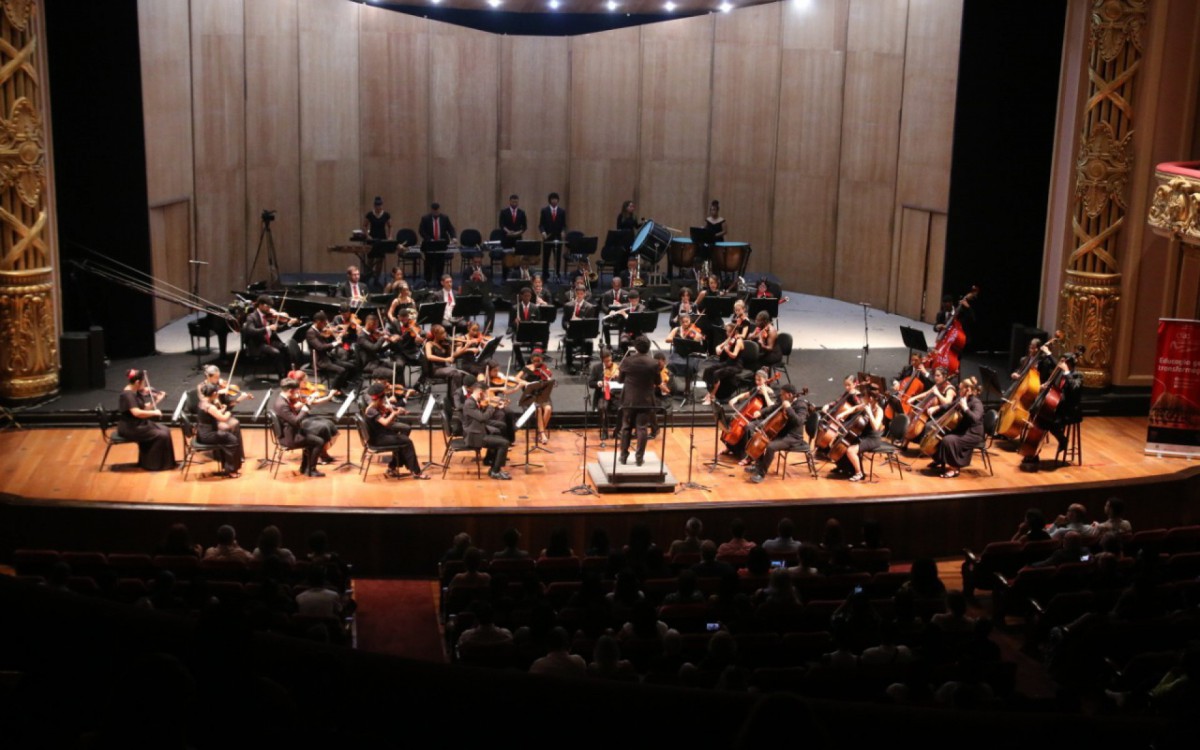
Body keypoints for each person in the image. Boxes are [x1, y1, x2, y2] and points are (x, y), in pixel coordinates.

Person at [364, 383, 430, 479]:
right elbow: (385, 422)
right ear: (380, 398)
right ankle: (416, 472)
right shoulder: (371, 410)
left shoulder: (376, 406)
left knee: (402, 440)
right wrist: (394, 413)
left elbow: (385, 412)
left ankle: (392, 467)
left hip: (381, 434)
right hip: (378, 439)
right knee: (407, 442)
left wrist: (396, 409)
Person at [748, 383, 810, 484]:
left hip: (793, 437)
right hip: (782, 433)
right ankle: (758, 466)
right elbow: (773, 407)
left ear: (789, 395)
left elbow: (799, 421)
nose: (780, 396)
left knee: (770, 446)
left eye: (782, 394)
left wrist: (789, 408)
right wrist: (761, 412)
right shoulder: (784, 401)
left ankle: (761, 474)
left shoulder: (801, 405)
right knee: (760, 439)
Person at [273, 378, 334, 477]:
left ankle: (305, 468)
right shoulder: (282, 405)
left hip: (292, 432)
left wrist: (302, 406)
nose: (298, 392)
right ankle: (311, 470)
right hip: (290, 438)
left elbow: (291, 415)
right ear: (290, 390)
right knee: (319, 442)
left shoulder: (281, 399)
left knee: (316, 436)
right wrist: (305, 408)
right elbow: (296, 421)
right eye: (296, 390)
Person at [117, 369, 176, 471]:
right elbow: (137, 413)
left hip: (138, 424)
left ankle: (160, 463)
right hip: (131, 427)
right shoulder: (128, 395)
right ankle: (154, 465)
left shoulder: (134, 391)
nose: (144, 384)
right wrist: (154, 413)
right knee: (162, 435)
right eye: (143, 382)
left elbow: (143, 408)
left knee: (165, 430)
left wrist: (157, 400)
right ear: (137, 382)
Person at [932, 376, 986, 479]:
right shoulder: (962, 399)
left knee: (948, 440)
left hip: (973, 433)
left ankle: (954, 468)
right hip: (962, 430)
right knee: (940, 434)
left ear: (968, 390)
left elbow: (975, 419)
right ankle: (940, 459)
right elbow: (949, 405)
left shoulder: (976, 403)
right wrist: (937, 407)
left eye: (961, 389)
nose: (958, 391)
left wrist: (965, 408)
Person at [617, 336, 658, 466]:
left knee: (626, 427)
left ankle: (623, 457)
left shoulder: (627, 361)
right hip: (645, 400)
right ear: (648, 348)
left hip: (629, 399)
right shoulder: (653, 363)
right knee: (642, 428)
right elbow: (658, 382)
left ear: (635, 347)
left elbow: (620, 380)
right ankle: (639, 459)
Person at [463, 383, 512, 480]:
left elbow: (482, 416)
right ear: (480, 392)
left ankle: (494, 467)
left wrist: (497, 405)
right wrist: (492, 406)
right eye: (486, 394)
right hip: (474, 436)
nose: (487, 396)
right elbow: (482, 418)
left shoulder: (474, 401)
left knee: (499, 436)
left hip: (478, 431)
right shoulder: (469, 403)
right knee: (504, 443)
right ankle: (495, 471)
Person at [196, 383, 243, 477]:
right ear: (213, 394)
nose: (218, 394)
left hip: (202, 432)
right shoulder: (210, 406)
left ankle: (227, 466)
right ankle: (231, 471)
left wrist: (222, 410)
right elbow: (223, 419)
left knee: (228, 437)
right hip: (208, 435)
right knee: (233, 440)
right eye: (217, 393)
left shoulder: (202, 402)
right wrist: (228, 412)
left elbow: (213, 414)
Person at [241, 295, 292, 379]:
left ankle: (289, 373)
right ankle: (282, 376)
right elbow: (251, 331)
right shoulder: (251, 317)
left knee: (285, 347)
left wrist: (288, 324)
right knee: (276, 352)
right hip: (257, 344)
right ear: (260, 305)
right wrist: (267, 328)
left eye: (270, 307)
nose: (269, 309)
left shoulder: (269, 316)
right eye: (267, 306)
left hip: (269, 341)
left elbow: (277, 329)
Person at [306, 311, 356, 394]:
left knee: (350, 366)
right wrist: (335, 343)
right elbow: (320, 347)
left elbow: (326, 345)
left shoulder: (319, 331)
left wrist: (336, 337)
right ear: (318, 322)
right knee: (341, 370)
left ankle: (340, 387)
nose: (325, 325)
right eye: (324, 323)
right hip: (319, 361)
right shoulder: (310, 333)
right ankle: (333, 392)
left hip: (327, 357)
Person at [702, 322, 745, 405]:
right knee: (708, 370)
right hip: (728, 362)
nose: (727, 333)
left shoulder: (739, 341)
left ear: (734, 331)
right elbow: (719, 346)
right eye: (727, 331)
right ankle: (709, 392)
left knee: (717, 374)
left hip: (736, 365)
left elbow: (734, 355)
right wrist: (718, 348)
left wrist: (727, 351)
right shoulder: (730, 338)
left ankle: (712, 396)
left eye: (729, 331)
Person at [423, 323, 471, 392]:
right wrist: (445, 359)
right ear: (435, 334)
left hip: (444, 368)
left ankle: (452, 396)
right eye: (442, 333)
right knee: (454, 372)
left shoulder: (445, 344)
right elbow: (429, 356)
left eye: (444, 332)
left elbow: (453, 355)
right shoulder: (429, 344)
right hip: (435, 370)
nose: (445, 334)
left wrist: (465, 347)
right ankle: (455, 396)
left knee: (458, 373)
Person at [418, 202, 457, 284]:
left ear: (439, 210)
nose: (436, 213)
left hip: (441, 244)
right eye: (434, 211)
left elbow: (450, 229)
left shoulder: (445, 218)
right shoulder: (425, 218)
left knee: (440, 263)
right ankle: (427, 281)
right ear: (431, 210)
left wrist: (453, 237)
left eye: (437, 211)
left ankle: (440, 281)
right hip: (429, 244)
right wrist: (429, 239)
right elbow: (421, 231)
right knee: (428, 263)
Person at [562, 284, 597, 374]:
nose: (579, 296)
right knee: (569, 341)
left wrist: (578, 320)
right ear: (575, 294)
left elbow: (589, 323)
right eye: (578, 293)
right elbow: (564, 321)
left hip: (584, 333)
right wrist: (568, 326)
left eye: (581, 294)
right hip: (572, 332)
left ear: (584, 294)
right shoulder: (568, 305)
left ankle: (586, 364)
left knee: (589, 342)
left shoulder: (590, 307)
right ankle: (569, 365)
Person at [590, 348, 621, 442]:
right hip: (602, 394)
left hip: (615, 395)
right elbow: (591, 383)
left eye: (610, 360)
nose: (609, 363)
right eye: (606, 361)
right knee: (602, 407)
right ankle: (604, 430)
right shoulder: (596, 368)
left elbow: (623, 381)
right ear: (602, 360)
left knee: (623, 408)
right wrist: (599, 383)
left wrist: (618, 377)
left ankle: (618, 430)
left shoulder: (616, 367)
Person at [538, 192, 567, 279]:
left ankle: (557, 274)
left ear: (558, 200)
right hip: (547, 238)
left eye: (556, 199)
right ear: (549, 200)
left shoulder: (562, 211)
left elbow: (564, 225)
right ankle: (545, 275)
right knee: (546, 257)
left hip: (557, 238)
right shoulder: (544, 210)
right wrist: (543, 232)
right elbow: (541, 225)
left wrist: (563, 231)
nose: (554, 201)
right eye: (552, 199)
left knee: (557, 258)